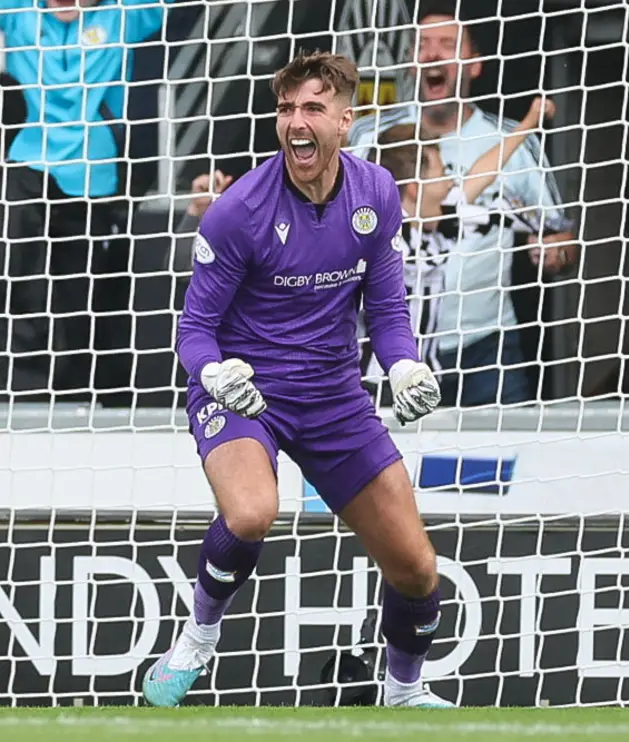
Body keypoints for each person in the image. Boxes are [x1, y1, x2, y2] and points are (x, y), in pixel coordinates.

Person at [143, 50, 452, 709]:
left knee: (417, 569)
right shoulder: (239, 211)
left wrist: (403, 364)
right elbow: (193, 329)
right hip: (241, 387)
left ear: (345, 121)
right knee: (253, 511)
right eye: (286, 109)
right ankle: (198, 635)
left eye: (312, 108)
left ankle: (404, 693)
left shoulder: (375, 194)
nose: (295, 122)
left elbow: (389, 312)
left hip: (332, 392)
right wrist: (215, 374)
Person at [349, 0, 578, 407]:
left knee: (498, 466)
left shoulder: (512, 147)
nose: (433, 53)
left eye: (447, 44)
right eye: (424, 44)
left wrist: (551, 250)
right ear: (411, 64)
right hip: (390, 350)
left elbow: (556, 234)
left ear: (474, 64)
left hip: (487, 348)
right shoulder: (371, 140)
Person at [0, 0, 174, 401]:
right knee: (22, 286)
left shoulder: (125, 15)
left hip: (93, 175)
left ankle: (80, 400)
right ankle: (23, 393)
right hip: (28, 166)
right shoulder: (19, 12)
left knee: (83, 296)